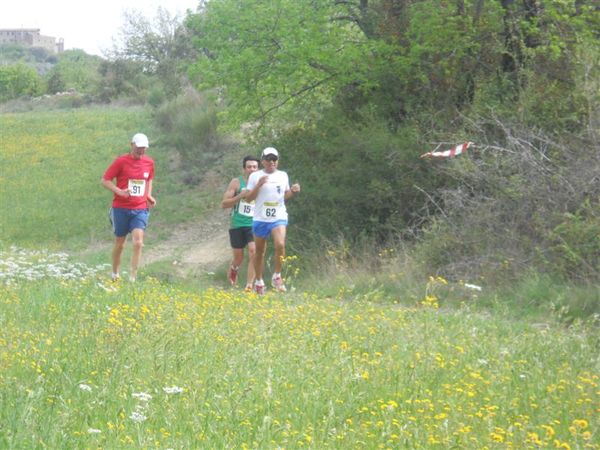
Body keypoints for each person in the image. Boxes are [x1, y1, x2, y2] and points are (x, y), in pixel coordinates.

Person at [245, 147, 300, 294]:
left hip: (278, 216)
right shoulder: (255, 176)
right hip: (260, 218)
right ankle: (259, 281)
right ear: (263, 161)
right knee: (260, 252)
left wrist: (292, 192)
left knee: (280, 244)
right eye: (268, 159)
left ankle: (277, 275)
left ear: (277, 161)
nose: (271, 162)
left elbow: (283, 197)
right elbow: (248, 198)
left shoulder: (283, 175)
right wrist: (259, 185)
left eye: (274, 159)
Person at [101, 133, 156, 282]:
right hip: (121, 208)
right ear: (132, 145)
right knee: (120, 243)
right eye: (138, 147)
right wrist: (119, 191)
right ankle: (115, 274)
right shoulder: (121, 162)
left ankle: (132, 277)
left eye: (144, 148)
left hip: (140, 208)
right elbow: (105, 180)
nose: (141, 151)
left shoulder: (149, 163)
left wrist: (148, 195)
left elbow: (149, 179)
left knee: (138, 242)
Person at [221, 156, 260, 291]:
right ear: (244, 169)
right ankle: (234, 269)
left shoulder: (261, 184)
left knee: (254, 251)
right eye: (249, 167)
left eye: (255, 167)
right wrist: (239, 196)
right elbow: (224, 204)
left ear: (258, 169)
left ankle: (249, 285)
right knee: (238, 257)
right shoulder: (237, 183)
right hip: (237, 224)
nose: (252, 169)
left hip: (254, 224)